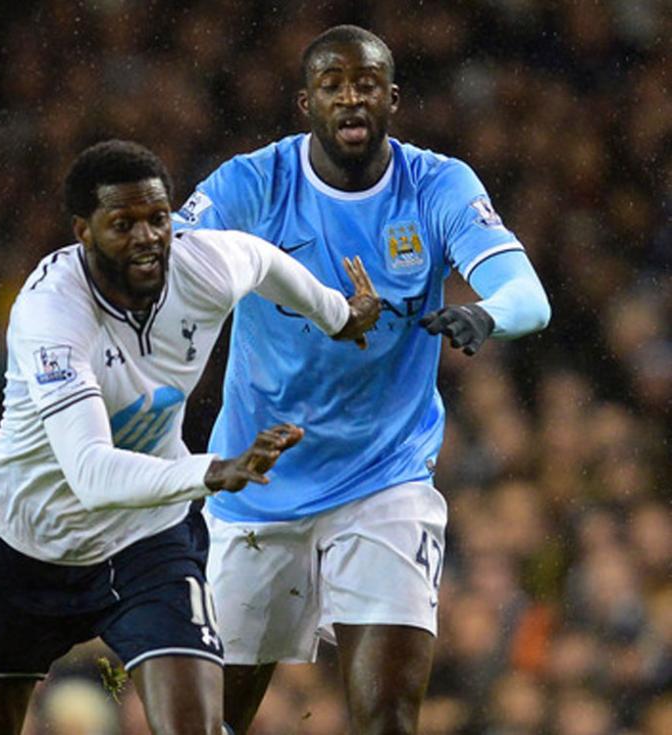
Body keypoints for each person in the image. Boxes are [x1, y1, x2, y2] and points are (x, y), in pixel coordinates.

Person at [173, 25, 551, 735]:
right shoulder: (255, 182)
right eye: (333, 85)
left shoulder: (437, 184)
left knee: (386, 718)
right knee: (203, 720)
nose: (351, 98)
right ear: (304, 102)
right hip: (260, 482)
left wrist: (487, 316)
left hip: (386, 479)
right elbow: (171, 257)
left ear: (393, 99)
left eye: (367, 84)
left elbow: (528, 293)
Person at [0, 139, 380, 735]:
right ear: (83, 232)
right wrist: (211, 471)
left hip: (145, 539)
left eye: (158, 218)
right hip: (21, 547)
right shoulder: (51, 315)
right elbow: (92, 473)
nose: (148, 237)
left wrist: (337, 314)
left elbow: (262, 261)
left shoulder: (202, 265)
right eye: (123, 224)